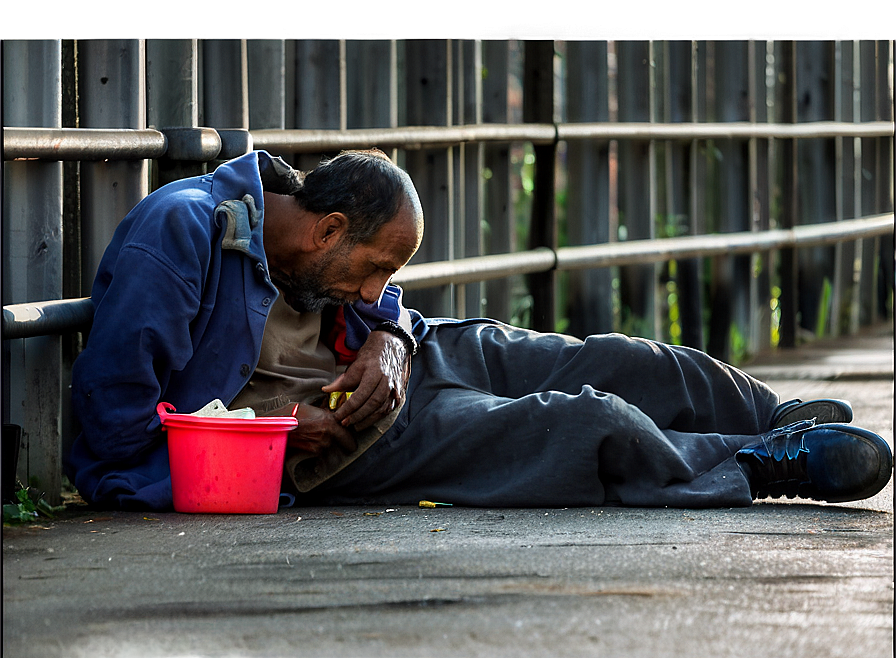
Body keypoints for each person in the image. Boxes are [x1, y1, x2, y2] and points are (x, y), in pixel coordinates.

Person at [67, 149, 893, 512]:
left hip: (412, 357)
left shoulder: (301, 218)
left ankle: (774, 413)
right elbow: (110, 447)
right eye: (375, 269)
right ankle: (750, 468)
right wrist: (275, 440)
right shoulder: (180, 237)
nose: (378, 287)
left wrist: (391, 331)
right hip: (353, 441)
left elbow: (383, 307)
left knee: (619, 359)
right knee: (578, 424)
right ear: (327, 232)